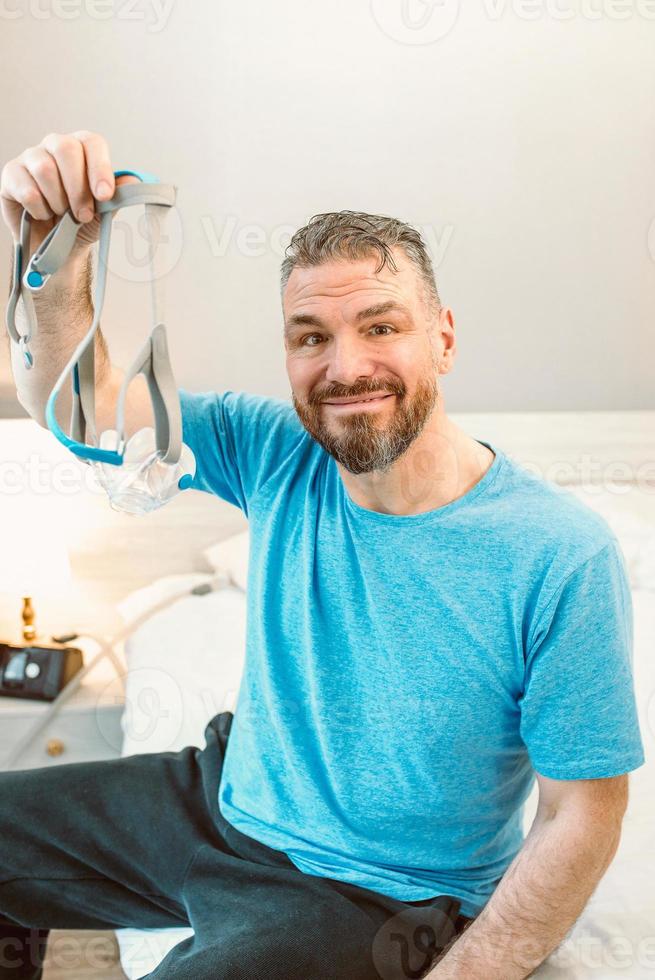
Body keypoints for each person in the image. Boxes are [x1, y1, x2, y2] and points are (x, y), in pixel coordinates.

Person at [0, 131, 645, 980]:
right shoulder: (274, 452)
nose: (345, 367)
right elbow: (81, 418)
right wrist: (62, 250)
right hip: (221, 800)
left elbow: (580, 817)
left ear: (443, 340)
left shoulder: (558, 556)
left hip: (373, 894)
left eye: (380, 326)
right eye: (309, 337)